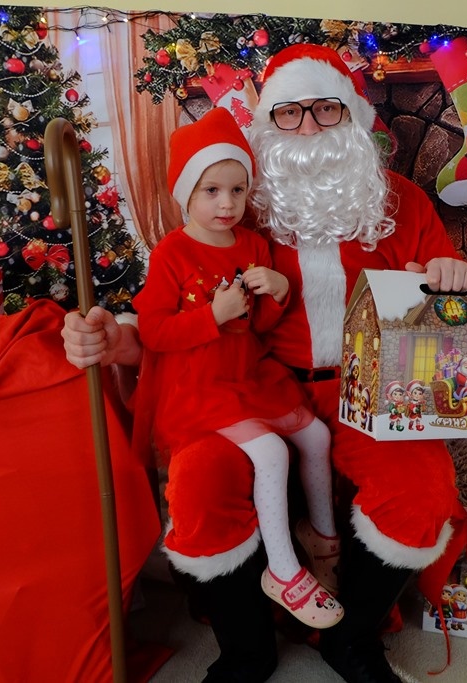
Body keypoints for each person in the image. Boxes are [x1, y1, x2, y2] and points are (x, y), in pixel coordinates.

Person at [62, 43, 467, 683]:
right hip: (253, 386)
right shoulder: (236, 202)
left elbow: (442, 298)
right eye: (289, 112)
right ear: (268, 124)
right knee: (201, 477)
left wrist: (454, 273)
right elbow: (179, 304)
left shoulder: (398, 201)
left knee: (422, 488)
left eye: (325, 109)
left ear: (354, 116)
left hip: (373, 390)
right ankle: (245, 649)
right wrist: (115, 338)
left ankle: (350, 640)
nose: (308, 128)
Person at [131, 108, 343, 628]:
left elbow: (260, 325)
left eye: (237, 190)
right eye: (211, 191)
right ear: (186, 192)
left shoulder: (252, 244)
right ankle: (283, 571)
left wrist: (279, 291)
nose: (227, 203)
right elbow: (154, 332)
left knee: (316, 436)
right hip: (202, 384)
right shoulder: (172, 253)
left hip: (250, 374)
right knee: (271, 452)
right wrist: (211, 316)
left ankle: (322, 536)